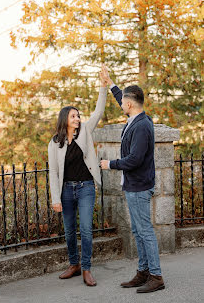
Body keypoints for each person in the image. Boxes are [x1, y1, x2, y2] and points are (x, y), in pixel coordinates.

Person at [100, 66, 165, 293]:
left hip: (138, 187)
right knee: (138, 231)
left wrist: (111, 164)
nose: (121, 104)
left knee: (144, 231)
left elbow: (135, 159)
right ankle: (143, 272)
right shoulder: (137, 118)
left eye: (123, 102)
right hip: (134, 186)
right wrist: (110, 83)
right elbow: (122, 96)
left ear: (130, 104)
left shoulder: (141, 126)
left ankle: (156, 276)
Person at [48, 67, 107, 286]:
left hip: (86, 188)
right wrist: (55, 198)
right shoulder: (54, 143)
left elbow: (98, 112)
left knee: (86, 230)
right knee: (70, 230)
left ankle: (86, 268)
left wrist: (103, 87)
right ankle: (73, 265)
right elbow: (53, 172)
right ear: (65, 119)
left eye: (78, 115)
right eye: (73, 116)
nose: (78, 118)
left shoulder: (85, 131)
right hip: (66, 190)